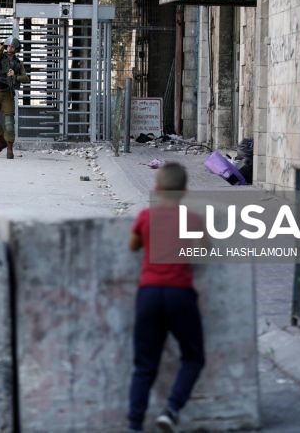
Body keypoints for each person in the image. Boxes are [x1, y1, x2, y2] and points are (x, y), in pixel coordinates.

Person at [127, 162, 205, 433]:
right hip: (180, 294)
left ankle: (135, 425)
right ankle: (171, 410)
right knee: (193, 357)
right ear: (185, 190)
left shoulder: (145, 216)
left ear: (156, 188)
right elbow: (204, 251)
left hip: (148, 293)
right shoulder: (192, 219)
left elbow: (133, 246)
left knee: (144, 365)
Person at [0, 36, 30, 159]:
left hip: (8, 93)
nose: (10, 48)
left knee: (9, 123)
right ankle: (1, 141)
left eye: (12, 47)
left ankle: (10, 147)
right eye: (8, 46)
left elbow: (26, 78)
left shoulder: (18, 63)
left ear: (16, 49)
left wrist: (15, 76)